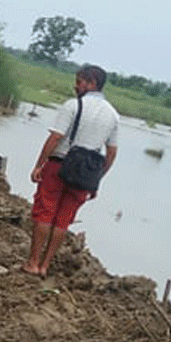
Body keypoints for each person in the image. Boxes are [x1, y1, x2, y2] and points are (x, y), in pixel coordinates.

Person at [23, 64, 120, 277]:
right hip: (85, 175)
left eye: (79, 82)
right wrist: (97, 180)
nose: (76, 86)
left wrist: (39, 164)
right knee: (63, 220)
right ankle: (45, 266)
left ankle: (33, 263)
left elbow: (56, 137)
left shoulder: (73, 106)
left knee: (45, 212)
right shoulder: (113, 115)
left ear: (91, 83)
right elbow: (111, 153)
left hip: (59, 165)